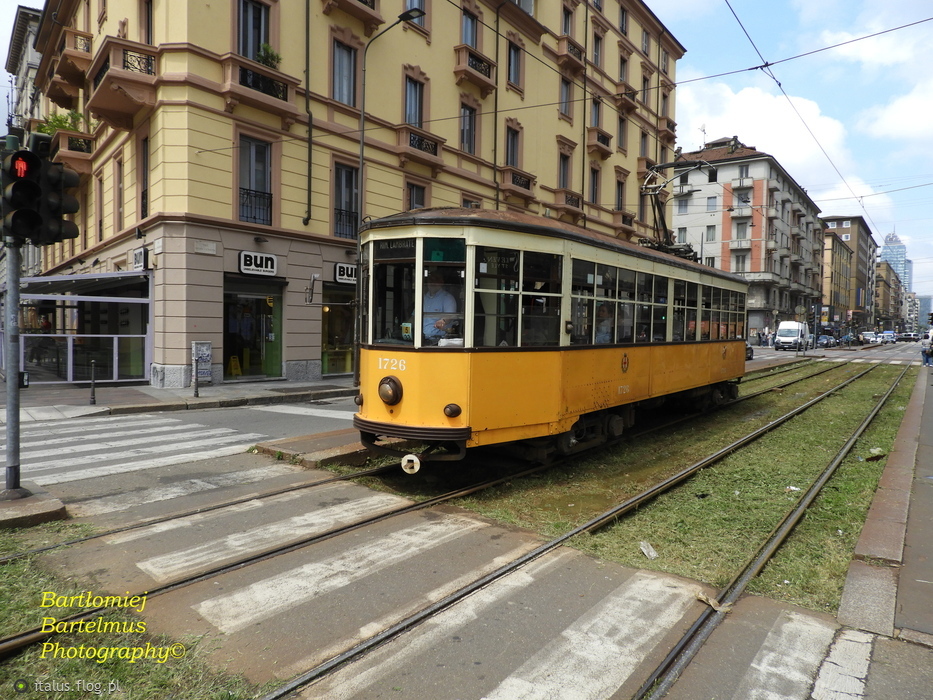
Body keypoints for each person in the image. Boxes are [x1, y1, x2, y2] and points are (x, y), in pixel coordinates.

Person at [422, 271, 457, 342]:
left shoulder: (447, 298)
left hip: (439, 340)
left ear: (441, 282)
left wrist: (442, 321)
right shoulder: (423, 298)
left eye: (435, 280)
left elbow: (450, 316)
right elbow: (414, 316)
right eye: (430, 280)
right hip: (421, 339)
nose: (432, 282)